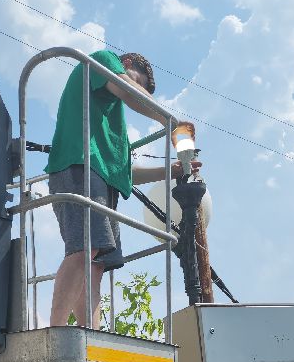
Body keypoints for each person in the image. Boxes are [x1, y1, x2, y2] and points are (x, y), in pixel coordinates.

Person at [46, 49, 191, 329]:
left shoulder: (113, 126)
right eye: (139, 82)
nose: (138, 90)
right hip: (79, 165)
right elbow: (126, 89)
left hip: (102, 180)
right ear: (126, 65)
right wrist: (168, 121)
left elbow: (124, 172)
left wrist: (171, 170)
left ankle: (91, 331)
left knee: (97, 263)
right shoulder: (103, 60)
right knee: (84, 249)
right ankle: (57, 330)